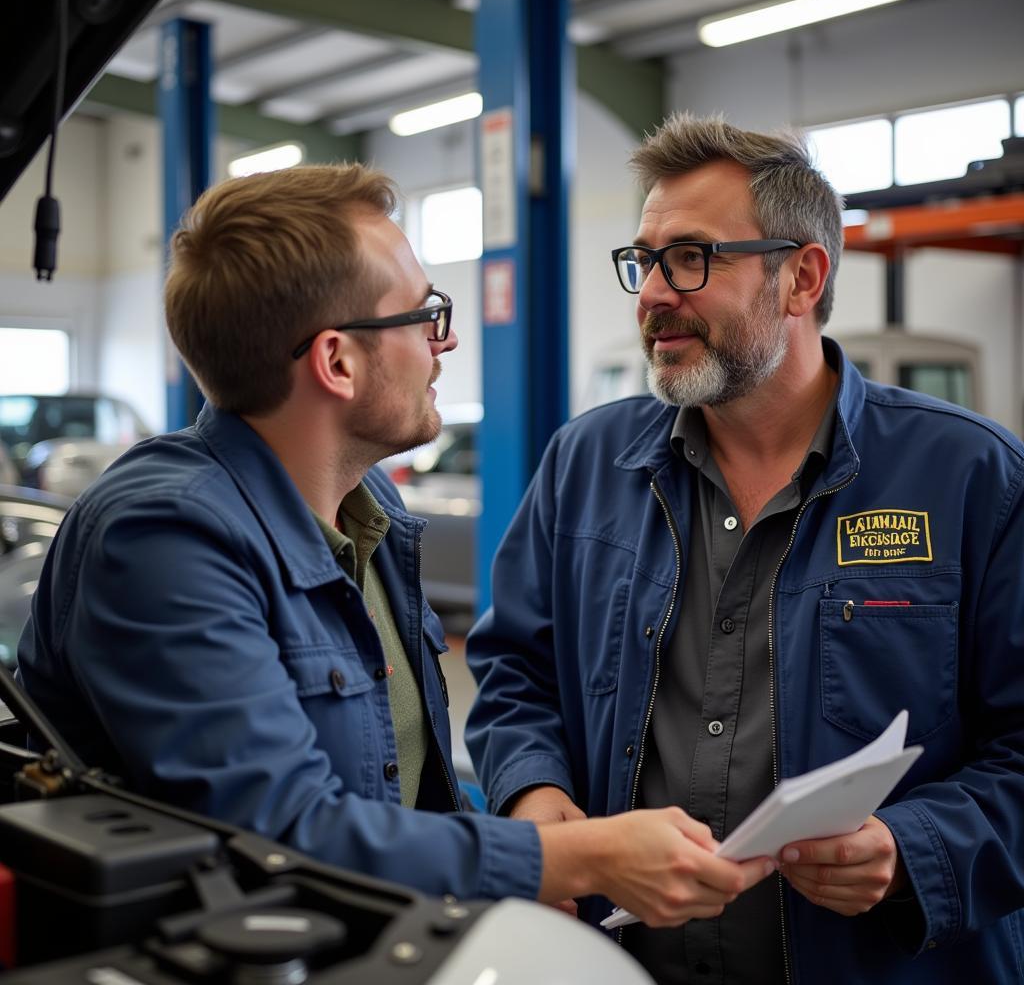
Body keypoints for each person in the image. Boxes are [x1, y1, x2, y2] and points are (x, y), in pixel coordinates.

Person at [16, 162, 774, 924]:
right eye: (422, 316)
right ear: (337, 362)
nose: (441, 344)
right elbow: (281, 829)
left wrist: (518, 834)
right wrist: (571, 859)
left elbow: (403, 786)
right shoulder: (163, 540)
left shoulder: (367, 507)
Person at [465, 115, 1024, 983]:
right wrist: (534, 793)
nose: (652, 293)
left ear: (801, 277)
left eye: (690, 258)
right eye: (643, 261)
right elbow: (513, 671)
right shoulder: (584, 465)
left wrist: (914, 846)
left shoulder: (972, 478)